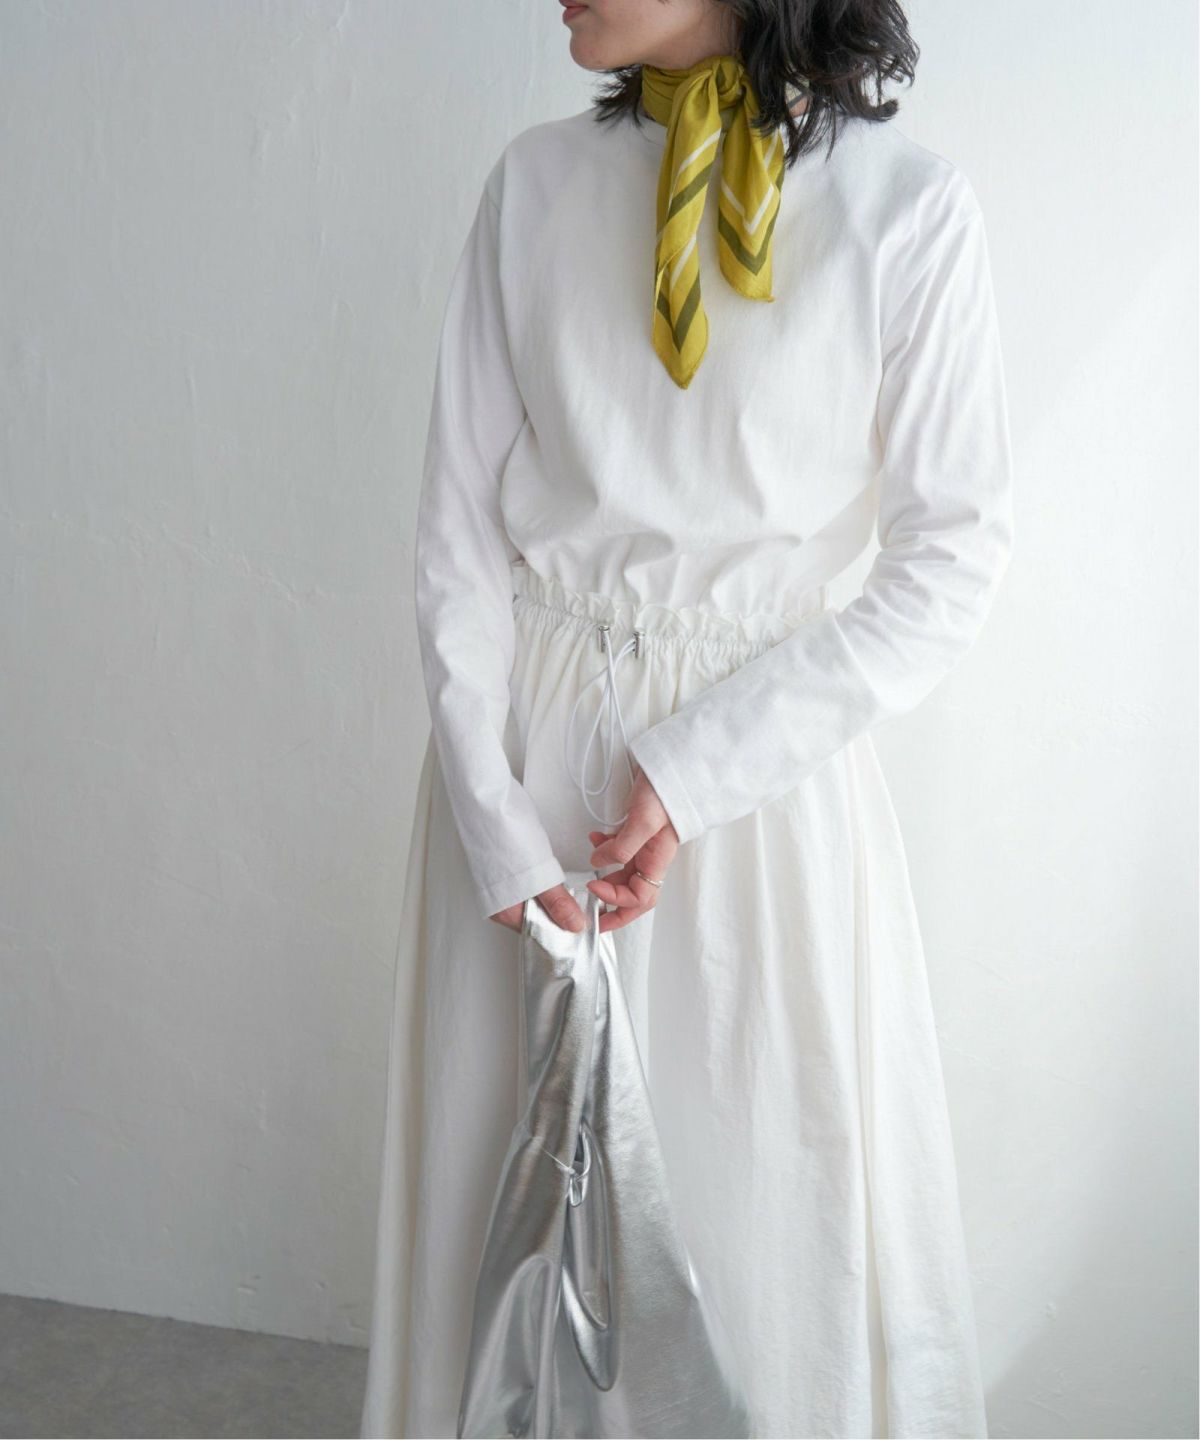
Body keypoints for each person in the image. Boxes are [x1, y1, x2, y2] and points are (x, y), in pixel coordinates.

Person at [359, 0, 1013, 1434]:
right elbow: (456, 536)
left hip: (757, 808)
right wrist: (490, 815)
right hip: (520, 780)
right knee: (501, 1216)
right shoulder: (533, 187)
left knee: (758, 1222)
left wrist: (696, 766)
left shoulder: (908, 214)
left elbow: (950, 564)